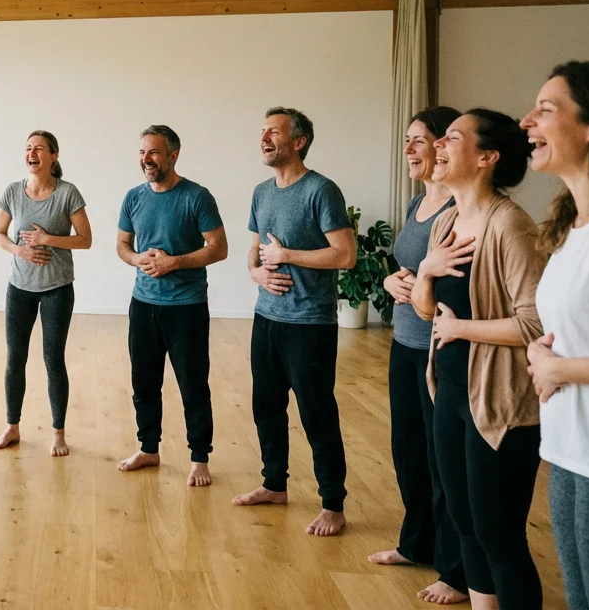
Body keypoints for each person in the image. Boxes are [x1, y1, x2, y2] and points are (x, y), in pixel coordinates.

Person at [412, 108, 545, 610]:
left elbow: (535, 324)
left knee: (498, 533)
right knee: (465, 521)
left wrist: (459, 328)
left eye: (451, 138)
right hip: (449, 390)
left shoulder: (510, 225)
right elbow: (427, 310)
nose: (437, 147)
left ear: (487, 157)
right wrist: (425, 272)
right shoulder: (445, 222)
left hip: (502, 403)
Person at [235, 107, 355, 537]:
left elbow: (345, 254)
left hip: (310, 323)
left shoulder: (321, 191)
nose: (264, 138)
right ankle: (273, 485)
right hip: (266, 317)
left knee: (317, 414)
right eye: (262, 130)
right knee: (266, 408)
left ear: (299, 141)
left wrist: (287, 256)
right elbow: (255, 249)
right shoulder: (261, 192)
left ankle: (333, 505)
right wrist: (256, 272)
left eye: (274, 131)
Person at [366, 106, 467, 605]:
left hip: (437, 349)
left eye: (419, 141)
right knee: (407, 449)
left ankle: (454, 570)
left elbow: (449, 283)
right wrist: (388, 279)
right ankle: (416, 543)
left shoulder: (458, 210)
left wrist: (420, 280)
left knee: (440, 458)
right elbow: (402, 264)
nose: (408, 149)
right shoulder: (415, 205)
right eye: (407, 140)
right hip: (403, 342)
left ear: (443, 147)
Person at [114, 125, 227, 487]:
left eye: (154, 153)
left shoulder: (197, 197)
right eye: (142, 152)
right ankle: (148, 448)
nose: (146, 160)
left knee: (192, 384)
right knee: (143, 382)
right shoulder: (133, 197)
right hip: (143, 304)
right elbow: (122, 246)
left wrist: (173, 262)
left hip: (186, 307)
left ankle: (199, 457)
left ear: (173, 155)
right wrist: (138, 260)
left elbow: (218, 248)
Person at [522, 61, 589, 610]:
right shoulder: (570, 227)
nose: (527, 120)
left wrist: (558, 370)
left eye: (546, 110)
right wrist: (538, 352)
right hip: (570, 445)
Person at [0, 130, 92, 457]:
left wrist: (48, 240)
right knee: (14, 358)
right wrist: (20, 252)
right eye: (28, 149)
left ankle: (58, 433)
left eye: (39, 149)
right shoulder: (12, 192)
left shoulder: (67, 193)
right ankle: (12, 426)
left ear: (54, 156)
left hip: (56, 290)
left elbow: (85, 239)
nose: (32, 154)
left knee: (53, 359)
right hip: (19, 288)